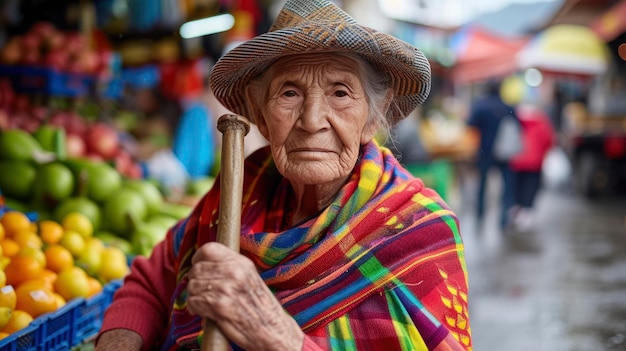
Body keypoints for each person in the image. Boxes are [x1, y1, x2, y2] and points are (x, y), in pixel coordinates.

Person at [95, 1, 472, 350]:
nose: (311, 121)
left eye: (340, 93)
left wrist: (277, 334)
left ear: (373, 117)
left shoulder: (419, 229)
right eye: (289, 94)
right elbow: (149, 284)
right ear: (260, 116)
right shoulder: (240, 189)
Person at [466, 80, 519, 230]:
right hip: (504, 153)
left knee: (482, 185)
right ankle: (503, 219)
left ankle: (480, 216)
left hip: (485, 152)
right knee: (507, 186)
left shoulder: (480, 106)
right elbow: (517, 126)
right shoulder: (507, 106)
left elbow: (470, 124)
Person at [509, 102, 556, 231]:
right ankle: (526, 211)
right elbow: (549, 140)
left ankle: (516, 208)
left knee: (517, 186)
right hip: (534, 163)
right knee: (531, 187)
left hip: (517, 161)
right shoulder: (541, 122)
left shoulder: (516, 121)